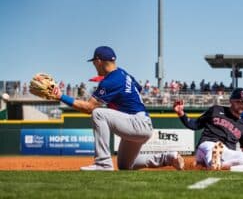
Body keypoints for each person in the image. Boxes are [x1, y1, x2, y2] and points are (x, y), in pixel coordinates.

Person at [53, 46, 184, 171]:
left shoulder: (111, 80)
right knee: (125, 165)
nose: (94, 65)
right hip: (140, 123)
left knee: (98, 113)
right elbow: (138, 88)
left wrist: (61, 96)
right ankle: (168, 157)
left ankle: (103, 163)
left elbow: (88, 108)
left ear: (98, 61)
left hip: (137, 123)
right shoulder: (123, 73)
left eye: (94, 62)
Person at [173, 88, 243, 170]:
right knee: (212, 150)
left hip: (226, 152)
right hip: (208, 144)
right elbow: (194, 125)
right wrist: (181, 113)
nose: (241, 104)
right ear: (231, 101)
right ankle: (213, 163)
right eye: (238, 101)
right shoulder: (216, 110)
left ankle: (218, 165)